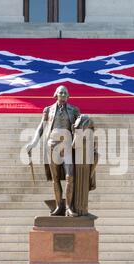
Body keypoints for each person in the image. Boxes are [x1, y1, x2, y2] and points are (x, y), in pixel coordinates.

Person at [26, 85, 80, 217]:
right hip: (52, 145)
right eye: (60, 92)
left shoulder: (74, 110)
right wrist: (33, 142)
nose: (63, 95)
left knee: (70, 176)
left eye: (65, 93)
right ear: (55, 94)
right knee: (55, 178)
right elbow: (41, 126)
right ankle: (58, 206)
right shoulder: (48, 110)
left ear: (68, 96)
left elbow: (81, 126)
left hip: (67, 145)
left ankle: (68, 207)